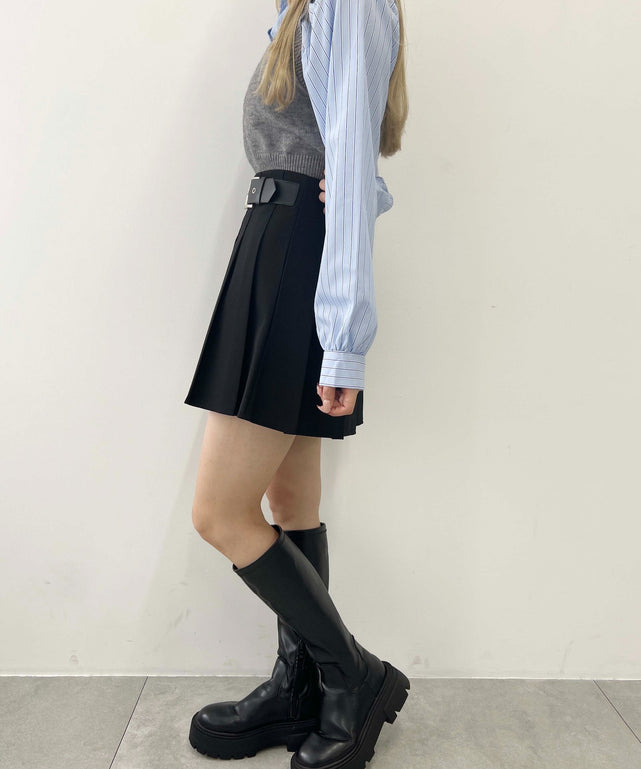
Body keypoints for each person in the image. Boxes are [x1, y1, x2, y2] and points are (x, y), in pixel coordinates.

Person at [183, 1, 409, 767]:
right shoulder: (300, 10)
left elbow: (348, 162)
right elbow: (343, 164)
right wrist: (360, 194)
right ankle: (302, 686)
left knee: (219, 512)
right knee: (289, 501)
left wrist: (343, 343)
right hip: (273, 245)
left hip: (293, 259)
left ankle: (354, 675)